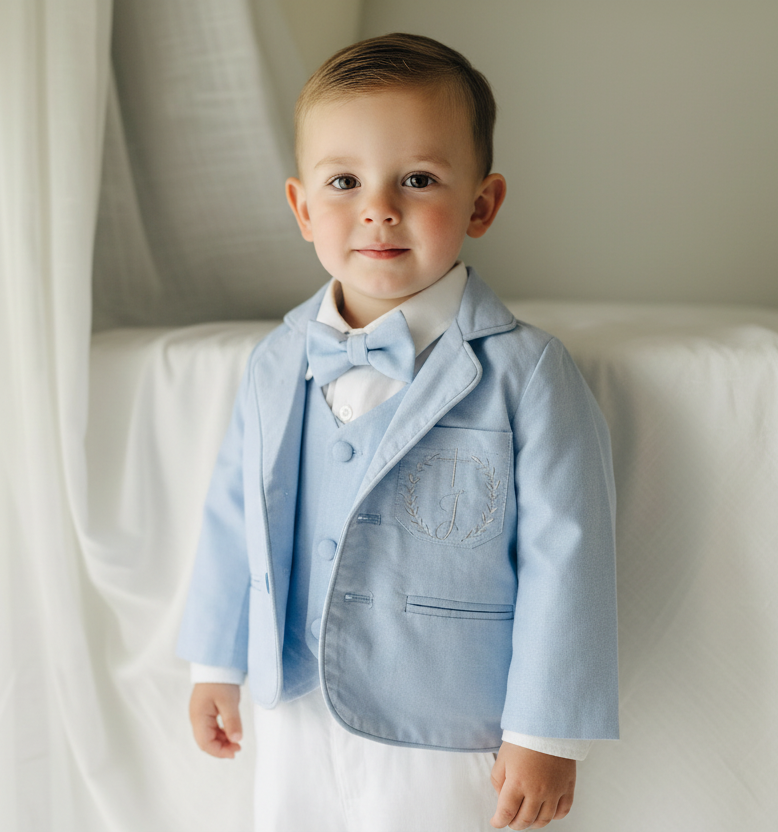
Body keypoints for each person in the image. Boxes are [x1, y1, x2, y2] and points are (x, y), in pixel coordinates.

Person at [176, 32, 619, 831]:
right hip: (297, 706)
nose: (379, 207)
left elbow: (569, 554)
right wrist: (218, 660)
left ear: (482, 204)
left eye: (418, 179)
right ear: (302, 207)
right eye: (343, 181)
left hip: (446, 720)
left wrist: (547, 729)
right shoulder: (277, 361)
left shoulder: (528, 373)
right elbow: (231, 514)